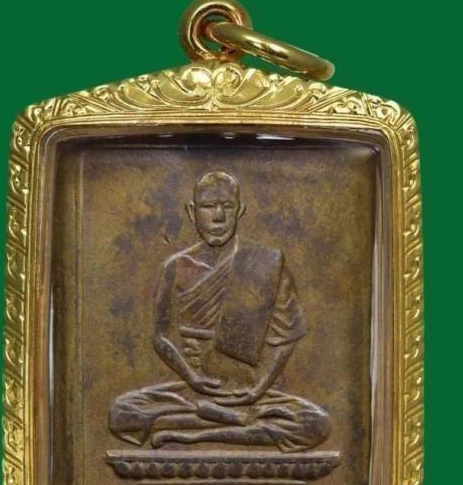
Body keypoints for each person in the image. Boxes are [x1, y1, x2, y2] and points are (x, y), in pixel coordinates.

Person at [108, 170, 330, 451]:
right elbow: (161, 337)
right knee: (123, 413)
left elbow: (286, 338)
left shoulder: (265, 264)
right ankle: (232, 425)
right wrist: (192, 378)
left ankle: (194, 434)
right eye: (208, 206)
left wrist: (258, 389)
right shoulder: (175, 267)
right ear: (192, 212)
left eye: (227, 206)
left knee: (314, 423)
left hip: (251, 393)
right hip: (194, 390)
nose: (218, 217)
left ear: (240, 211)